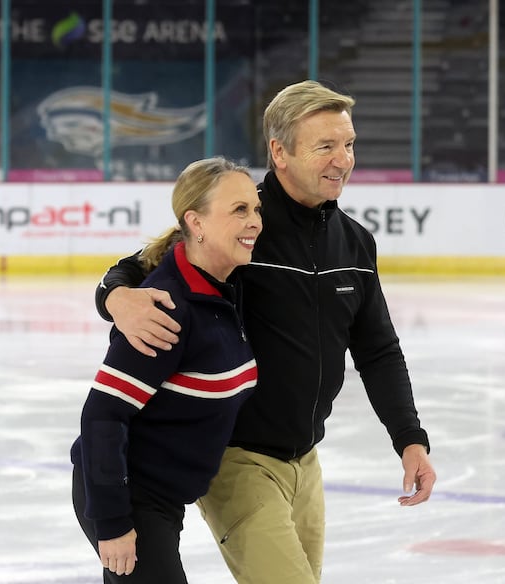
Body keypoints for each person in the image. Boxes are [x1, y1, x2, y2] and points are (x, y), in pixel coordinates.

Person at [95, 80, 436, 584]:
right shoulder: (240, 221)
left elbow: (378, 348)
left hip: (306, 460)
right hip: (239, 459)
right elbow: (140, 264)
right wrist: (116, 298)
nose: (343, 159)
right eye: (325, 146)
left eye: (349, 144)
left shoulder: (355, 243)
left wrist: (409, 439)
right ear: (279, 151)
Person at [70, 156, 263, 583]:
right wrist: (114, 523)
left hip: (164, 495)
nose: (255, 222)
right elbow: (102, 416)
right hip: (129, 495)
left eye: (256, 209)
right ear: (196, 222)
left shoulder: (227, 286)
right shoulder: (164, 310)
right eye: (239, 210)